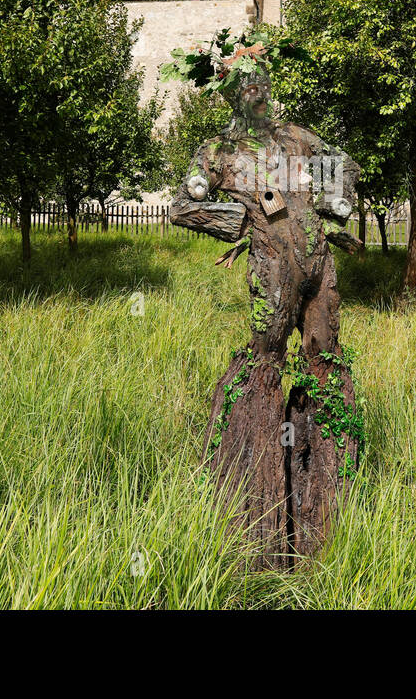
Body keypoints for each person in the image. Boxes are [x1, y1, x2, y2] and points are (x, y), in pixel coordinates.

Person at [170, 55, 362, 567]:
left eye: (261, 79)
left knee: (325, 354)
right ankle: (258, 494)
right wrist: (232, 221)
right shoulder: (218, 151)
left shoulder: (296, 137)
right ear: (231, 94)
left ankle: (324, 485)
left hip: (318, 261)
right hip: (272, 266)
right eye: (244, 82)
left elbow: (342, 163)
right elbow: (182, 204)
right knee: (265, 360)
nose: (256, 87)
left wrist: (336, 202)